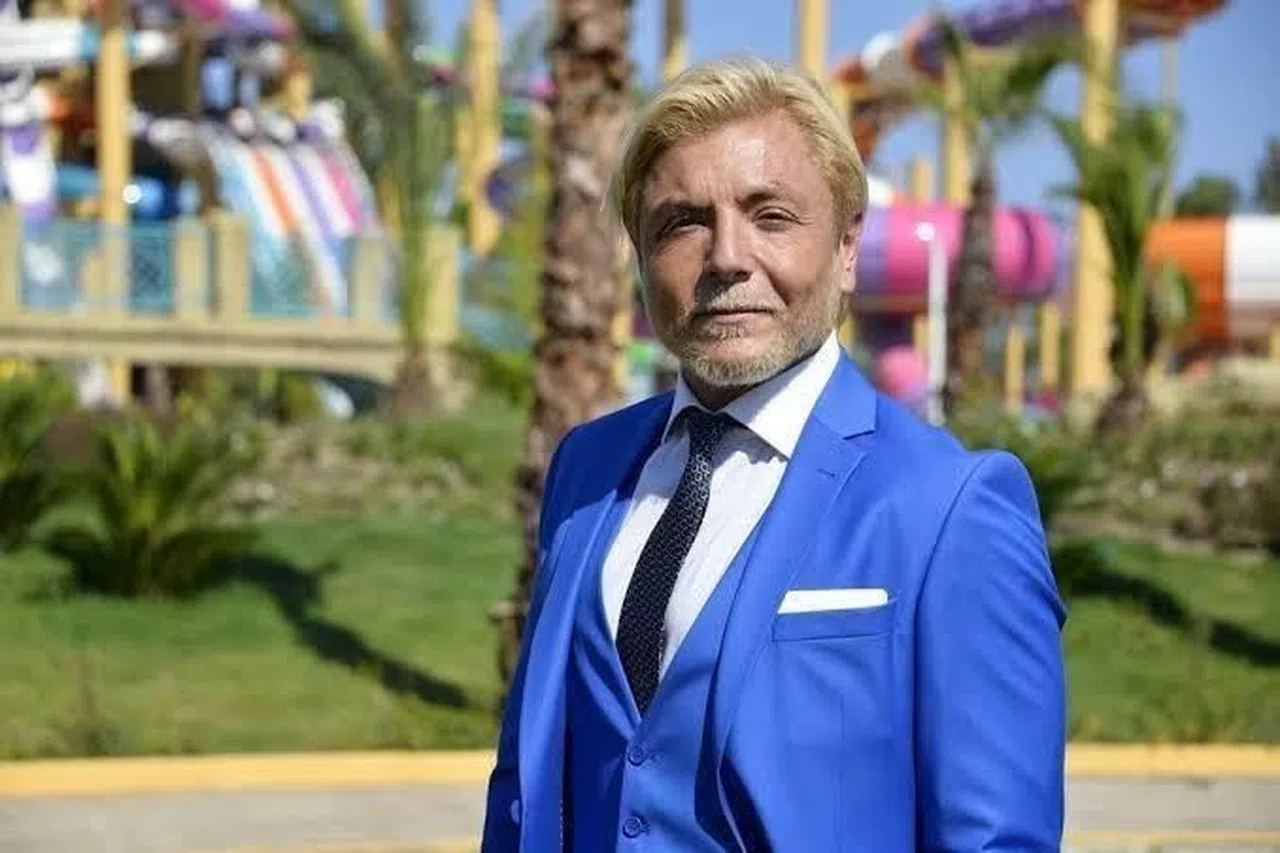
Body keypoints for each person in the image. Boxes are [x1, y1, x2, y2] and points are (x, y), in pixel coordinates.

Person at [482, 57, 1066, 852]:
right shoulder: (587, 469)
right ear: (640, 256)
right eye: (683, 222)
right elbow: (525, 787)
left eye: (771, 216)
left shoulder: (949, 507)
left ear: (848, 246)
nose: (726, 256)